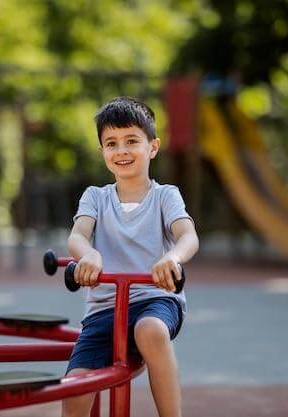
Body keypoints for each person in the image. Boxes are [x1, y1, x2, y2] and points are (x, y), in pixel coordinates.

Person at [64, 96, 199, 417]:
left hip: (155, 299)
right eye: (111, 143)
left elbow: (188, 236)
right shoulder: (95, 197)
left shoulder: (166, 196)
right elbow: (78, 236)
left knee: (150, 331)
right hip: (105, 309)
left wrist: (173, 259)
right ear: (102, 153)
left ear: (152, 147)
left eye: (131, 141)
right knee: (74, 387)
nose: (121, 150)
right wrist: (88, 255)